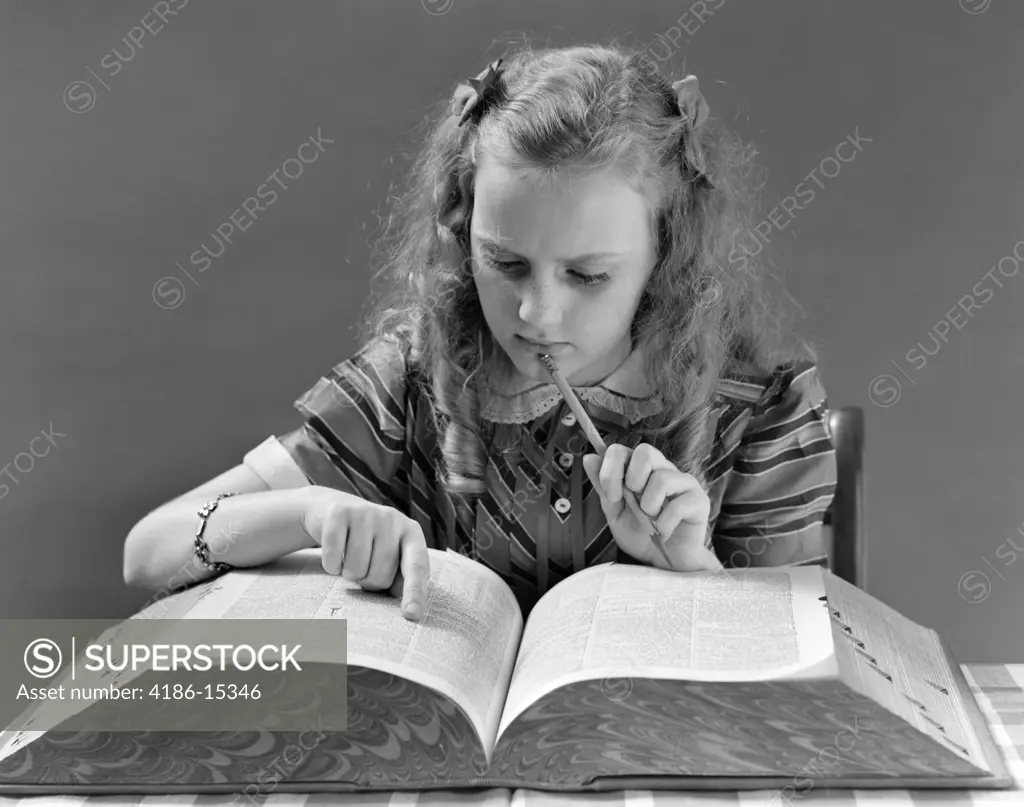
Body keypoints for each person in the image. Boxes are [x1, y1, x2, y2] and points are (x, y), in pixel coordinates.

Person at [123, 44, 836, 624]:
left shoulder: (758, 413)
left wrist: (693, 569)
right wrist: (312, 512)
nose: (535, 315)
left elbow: (798, 684)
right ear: (465, 236)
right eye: (505, 263)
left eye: (586, 276)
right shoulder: (411, 383)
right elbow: (149, 548)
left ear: (667, 251)